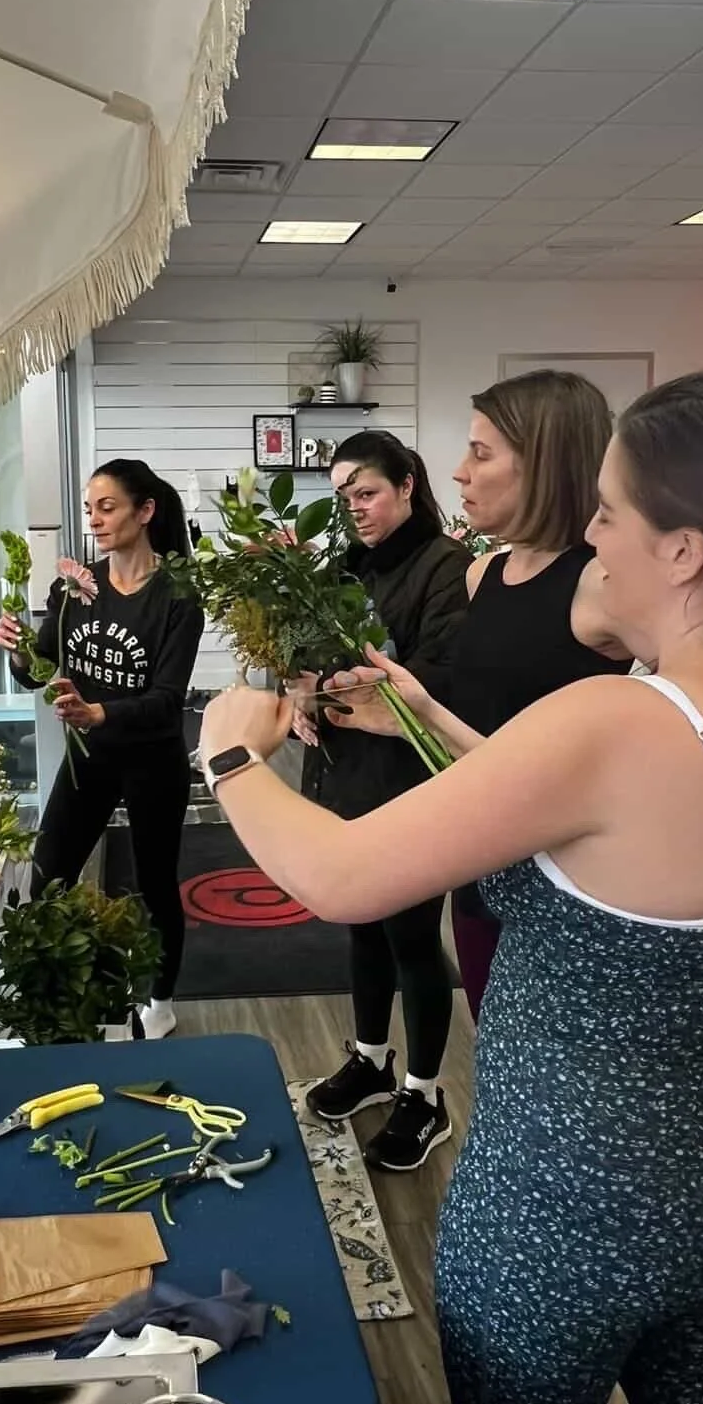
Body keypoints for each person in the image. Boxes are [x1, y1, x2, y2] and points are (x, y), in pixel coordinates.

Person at [195, 371, 703, 1404]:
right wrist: (417, 707)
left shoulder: (615, 718)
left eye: (608, 513)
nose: (591, 536)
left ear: (685, 549)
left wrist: (233, 759)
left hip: (572, 1192)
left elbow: (346, 878)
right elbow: (547, 799)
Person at [292, 431, 470, 1171]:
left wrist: (348, 691)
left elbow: (437, 674)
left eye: (365, 493)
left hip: (411, 783)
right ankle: (370, 1059)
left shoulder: (447, 567)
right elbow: (309, 651)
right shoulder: (346, 565)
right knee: (359, 922)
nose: (354, 509)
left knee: (411, 939)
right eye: (342, 498)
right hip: (347, 772)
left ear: (406, 484)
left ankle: (424, 1095)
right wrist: (299, 693)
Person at [444, 371, 633, 1019]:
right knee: (492, 1039)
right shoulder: (481, 574)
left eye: (481, 453)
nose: (459, 473)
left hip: (570, 887)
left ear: (546, 465)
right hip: (478, 861)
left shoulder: (603, 588)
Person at [0, 459, 204, 1040]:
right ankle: (60, 990)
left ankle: (160, 1002)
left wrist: (98, 712)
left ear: (145, 511)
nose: (95, 520)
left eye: (107, 507)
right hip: (90, 756)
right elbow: (36, 673)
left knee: (156, 885)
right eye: (90, 509)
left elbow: (167, 701)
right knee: (48, 873)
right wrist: (16, 651)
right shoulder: (74, 585)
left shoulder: (178, 596)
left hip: (152, 759)